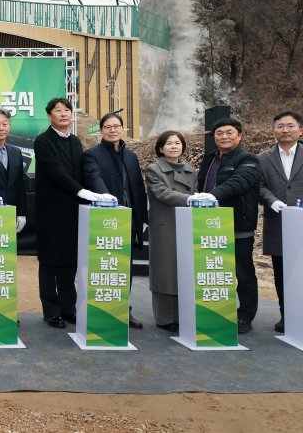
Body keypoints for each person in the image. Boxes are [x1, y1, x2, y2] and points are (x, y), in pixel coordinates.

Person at [32, 98, 112, 329]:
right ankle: (51, 311)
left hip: (74, 209)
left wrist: (97, 194)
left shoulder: (76, 141)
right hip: (51, 210)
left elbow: (82, 172)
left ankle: (68, 308)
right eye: (58, 111)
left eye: (67, 110)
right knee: (50, 262)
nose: (64, 114)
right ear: (49, 116)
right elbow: (56, 171)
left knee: (69, 260)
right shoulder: (43, 141)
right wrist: (82, 191)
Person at [82, 112, 148, 329]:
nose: (112, 130)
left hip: (129, 220)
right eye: (108, 127)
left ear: (122, 129)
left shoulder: (131, 156)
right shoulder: (91, 155)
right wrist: (105, 197)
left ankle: (123, 310)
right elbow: (93, 177)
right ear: (101, 130)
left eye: (116, 126)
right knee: (104, 266)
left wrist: (142, 219)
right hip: (106, 219)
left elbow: (138, 188)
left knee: (125, 268)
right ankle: (101, 311)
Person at [198, 117, 260, 334]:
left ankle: (245, 315)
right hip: (208, 225)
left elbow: (239, 182)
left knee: (243, 272)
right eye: (219, 133)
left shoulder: (249, 159)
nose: (224, 136)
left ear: (239, 136)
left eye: (229, 132)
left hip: (238, 224)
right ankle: (215, 310)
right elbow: (202, 185)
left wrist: (212, 195)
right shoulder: (209, 158)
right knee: (213, 270)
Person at [144, 131, 196, 332]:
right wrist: (189, 199)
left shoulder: (190, 169)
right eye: (169, 143)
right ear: (160, 148)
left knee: (184, 269)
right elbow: (162, 193)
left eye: (177, 143)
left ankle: (183, 315)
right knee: (165, 270)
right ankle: (165, 318)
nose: (174, 146)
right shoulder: (154, 169)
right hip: (165, 224)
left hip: (187, 224)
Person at [258, 110, 303, 333]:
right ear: (274, 130)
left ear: (300, 130)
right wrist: (272, 201)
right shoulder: (263, 158)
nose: (285, 130)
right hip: (278, 222)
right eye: (280, 126)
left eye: (290, 126)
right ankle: (287, 316)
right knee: (282, 272)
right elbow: (258, 185)